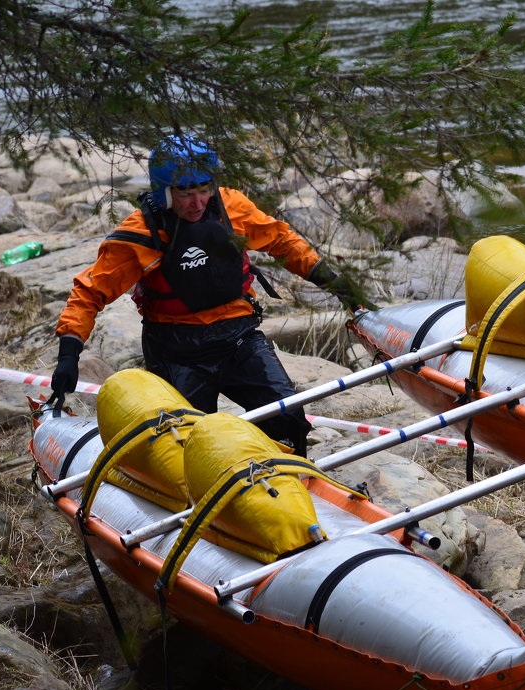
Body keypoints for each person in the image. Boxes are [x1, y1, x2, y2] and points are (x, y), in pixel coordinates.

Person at [49, 133, 365, 454]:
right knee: (185, 445)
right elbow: (90, 292)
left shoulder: (231, 207)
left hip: (239, 339)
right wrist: (69, 355)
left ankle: (285, 476)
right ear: (165, 191)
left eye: (204, 190)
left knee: (288, 418)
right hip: (176, 352)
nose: (198, 203)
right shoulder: (140, 235)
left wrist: (338, 286)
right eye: (186, 192)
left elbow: (282, 242)